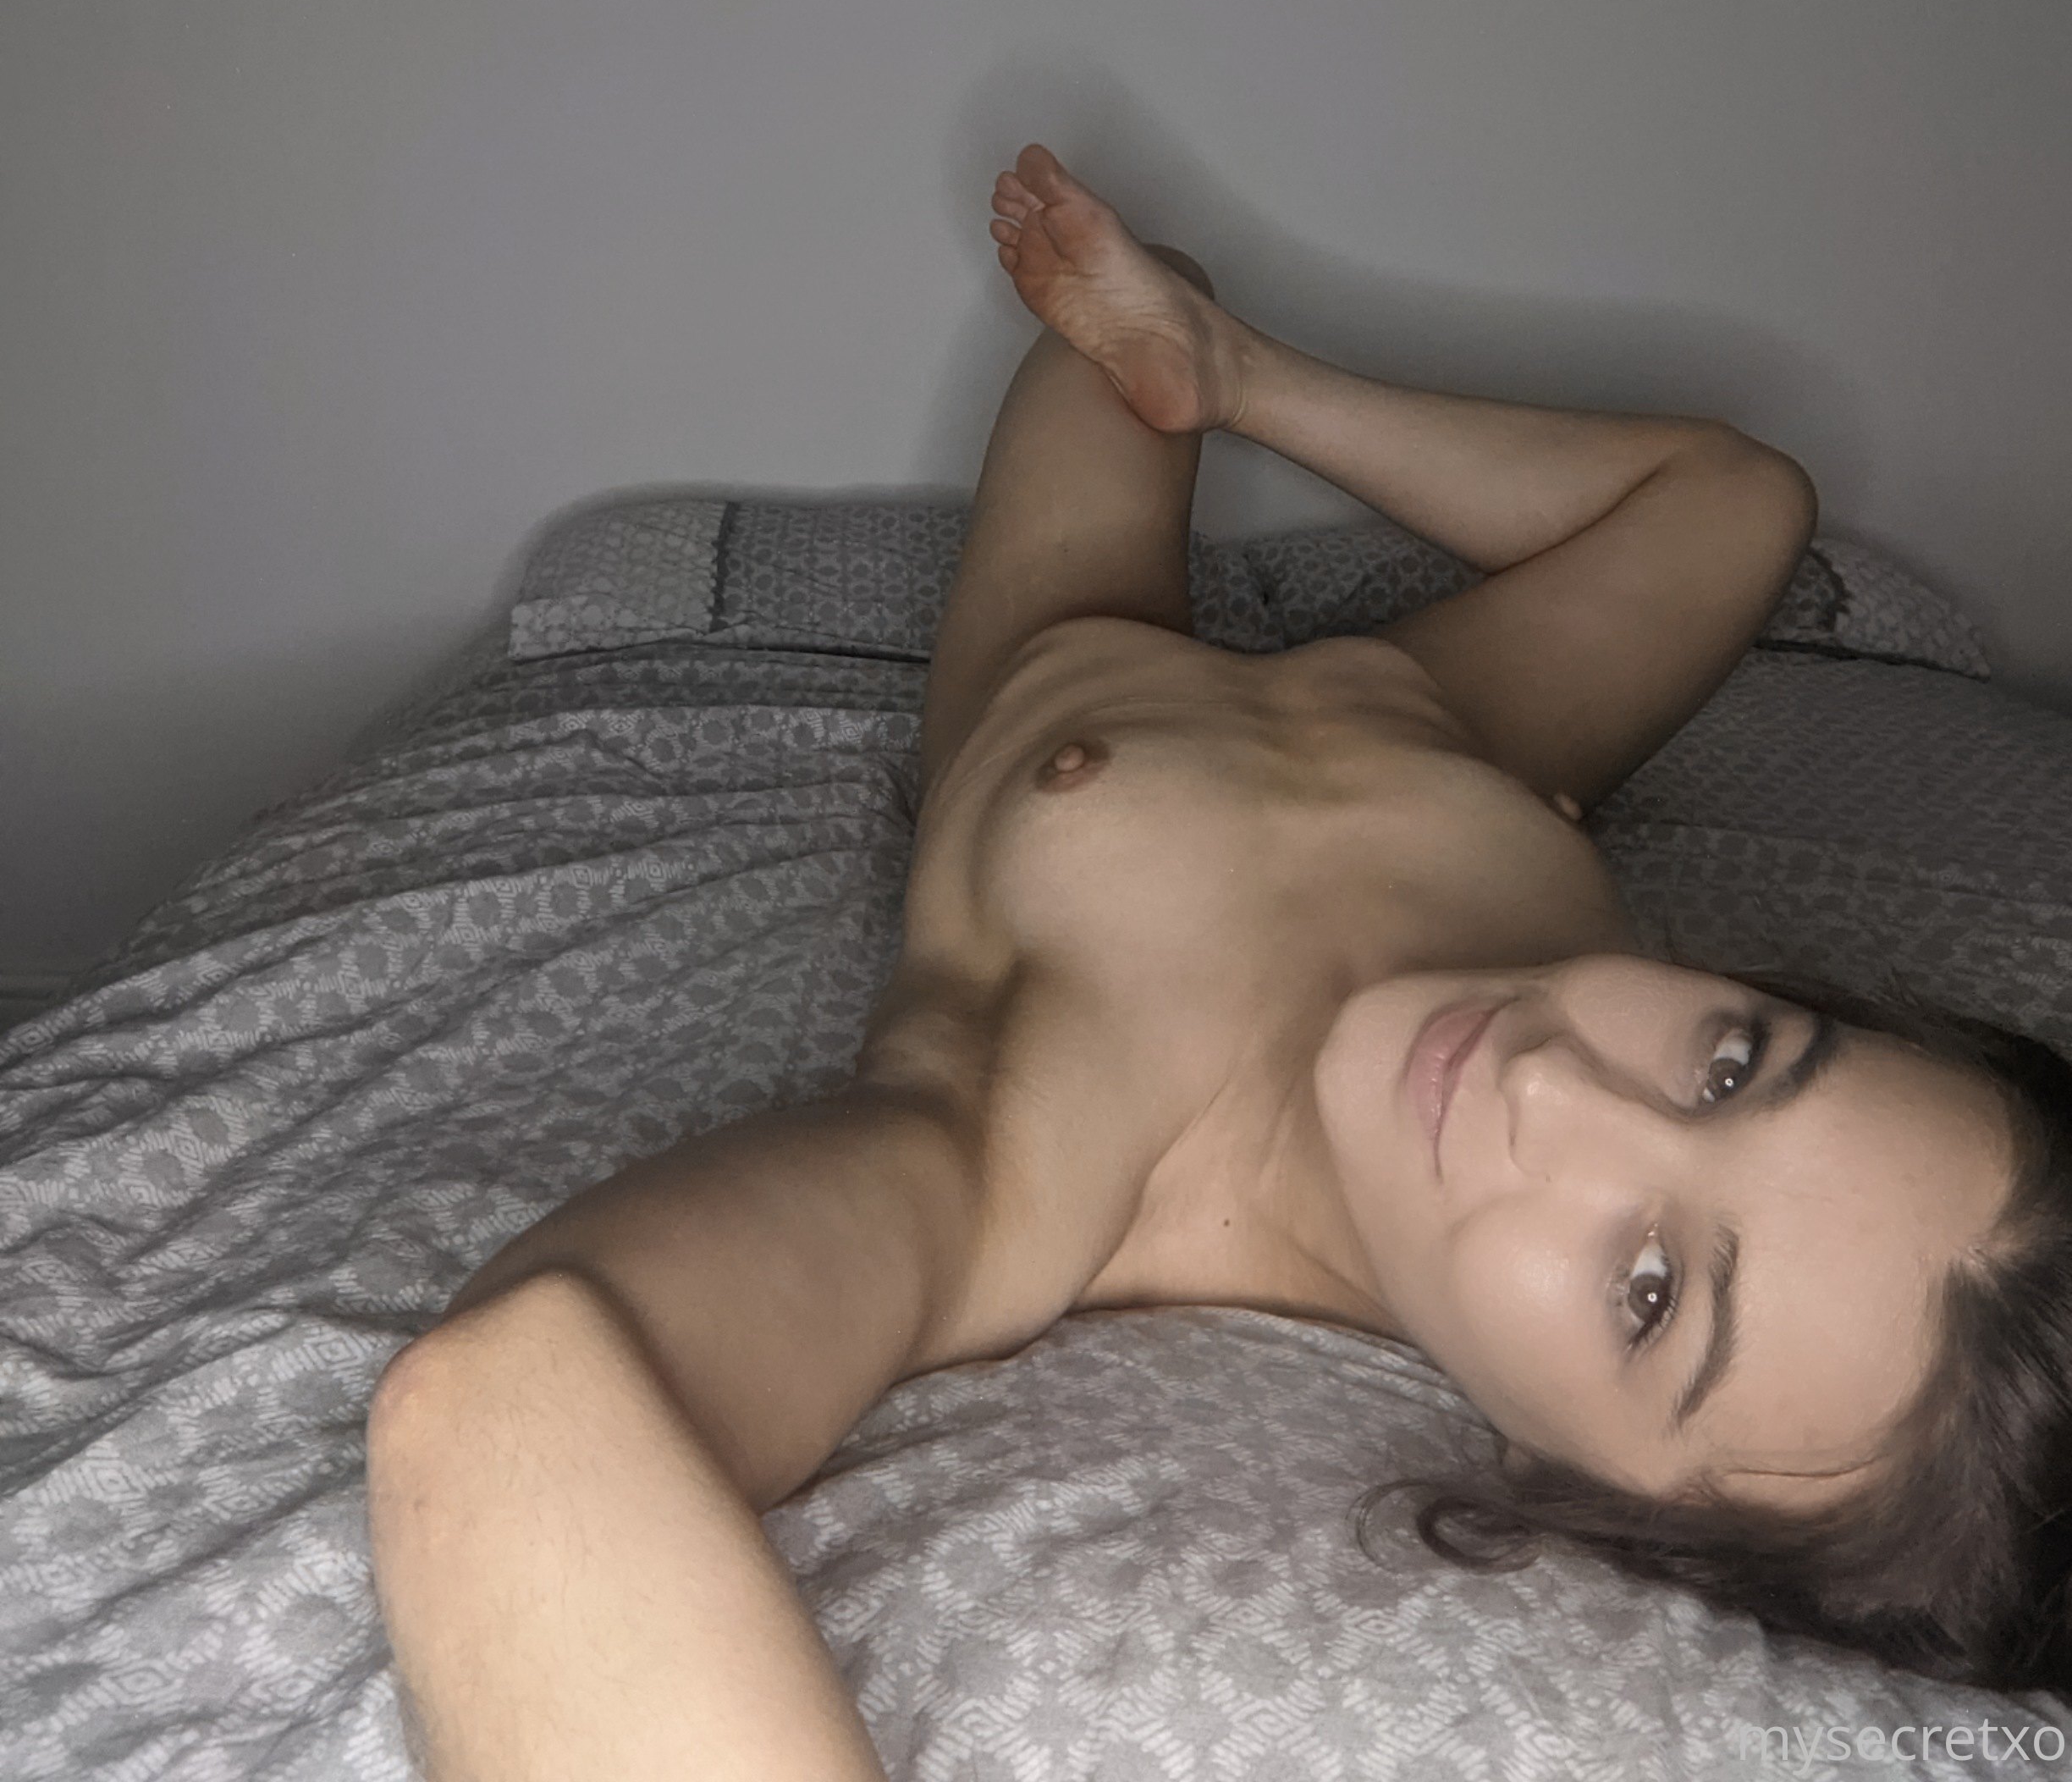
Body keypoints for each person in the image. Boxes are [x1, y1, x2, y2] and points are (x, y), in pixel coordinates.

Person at [365, 144, 2072, 1780]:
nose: (1558, 1084)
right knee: (1746, 496)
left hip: (1070, 662)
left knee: (1099, 348)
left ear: (1598, 1498)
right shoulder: (1547, 955)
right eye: (1735, 1062)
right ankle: (1216, 351)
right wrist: (1243, 380)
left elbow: (523, 1390)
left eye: (1648, 1290)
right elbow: (1709, 498)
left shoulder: (1037, 1155)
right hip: (1434, 728)